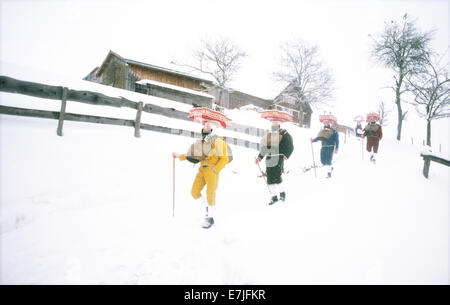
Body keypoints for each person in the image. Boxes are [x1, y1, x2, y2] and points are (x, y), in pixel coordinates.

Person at [172, 122, 229, 229]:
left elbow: (224, 159)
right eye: (204, 124)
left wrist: (215, 170)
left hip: (212, 170)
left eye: (208, 124)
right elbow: (194, 155)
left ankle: (210, 218)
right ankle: (207, 207)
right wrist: (179, 156)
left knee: (210, 194)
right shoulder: (203, 141)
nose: (205, 126)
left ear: (213, 127)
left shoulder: (218, 141)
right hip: (202, 170)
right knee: (194, 192)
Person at [255, 121, 294, 205]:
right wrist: (259, 158)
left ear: (279, 126)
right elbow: (265, 148)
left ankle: (282, 193)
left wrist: (286, 155)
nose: (273, 127)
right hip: (269, 158)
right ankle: (274, 196)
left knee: (277, 177)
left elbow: (290, 146)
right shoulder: (269, 135)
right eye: (272, 125)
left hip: (279, 157)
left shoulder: (284, 134)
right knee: (269, 178)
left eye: (275, 125)